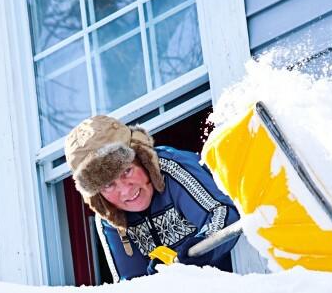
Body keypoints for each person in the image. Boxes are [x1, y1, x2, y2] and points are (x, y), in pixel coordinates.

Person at [64, 114, 240, 282]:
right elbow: (131, 286)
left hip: (243, 286)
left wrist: (196, 252)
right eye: (108, 185)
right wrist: (153, 284)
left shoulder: (172, 168)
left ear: (142, 157)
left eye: (127, 171)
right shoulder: (109, 217)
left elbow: (224, 213)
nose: (125, 190)